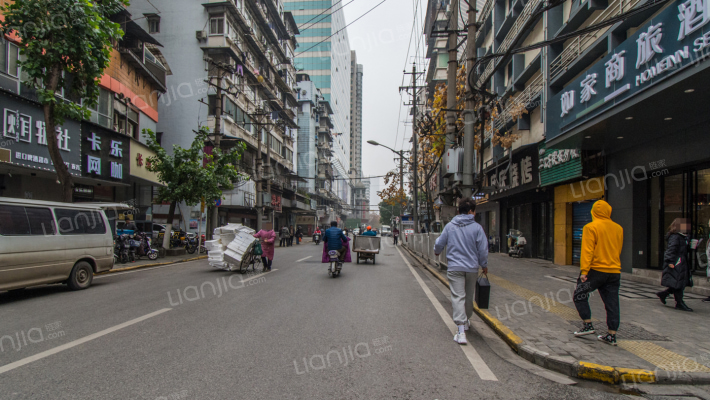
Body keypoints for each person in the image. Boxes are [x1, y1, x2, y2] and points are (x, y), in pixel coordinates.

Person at [434, 198, 488, 345]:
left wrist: (437, 252)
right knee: (469, 297)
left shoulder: (450, 226)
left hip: (454, 268)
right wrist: (484, 265)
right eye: (474, 210)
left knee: (458, 297)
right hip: (471, 268)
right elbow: (483, 249)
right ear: (471, 211)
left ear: (459, 211)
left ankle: (461, 330)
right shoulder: (477, 228)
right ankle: (464, 323)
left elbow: (439, 243)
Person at [572, 200, 624, 346]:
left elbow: (587, 251)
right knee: (612, 303)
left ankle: (588, 325)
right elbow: (618, 249)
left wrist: (584, 271)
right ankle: (612, 335)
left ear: (593, 212)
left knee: (579, 295)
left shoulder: (591, 227)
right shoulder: (618, 228)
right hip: (614, 271)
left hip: (596, 270)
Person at [657, 218, 693, 311]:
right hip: (678, 262)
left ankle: (665, 294)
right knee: (678, 282)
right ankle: (679, 302)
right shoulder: (675, 237)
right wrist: (670, 262)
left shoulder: (682, 237)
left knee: (679, 282)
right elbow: (671, 250)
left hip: (681, 261)